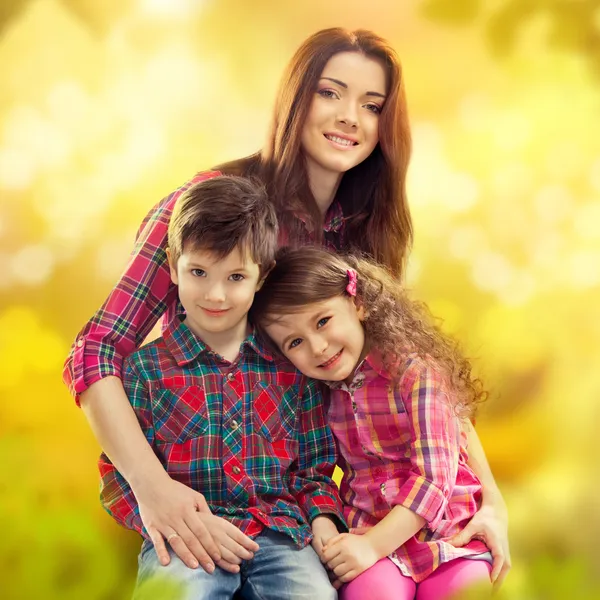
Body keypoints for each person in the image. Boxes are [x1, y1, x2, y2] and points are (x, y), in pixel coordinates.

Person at [63, 27, 509, 582]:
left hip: (302, 513)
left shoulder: (363, 235)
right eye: (330, 92)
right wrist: (155, 492)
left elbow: (419, 377)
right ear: (295, 98)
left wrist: (490, 498)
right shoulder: (209, 207)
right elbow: (95, 352)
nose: (350, 116)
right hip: (204, 499)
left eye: (372, 106)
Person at [100, 176, 344, 599]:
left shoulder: (289, 365)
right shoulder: (144, 371)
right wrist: (166, 522)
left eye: (235, 277)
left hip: (281, 535)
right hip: (187, 538)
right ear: (174, 265)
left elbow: (314, 469)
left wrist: (324, 518)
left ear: (261, 277)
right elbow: (118, 474)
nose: (215, 294)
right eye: (199, 272)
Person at [251, 246, 496, 599]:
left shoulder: (415, 373)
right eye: (295, 342)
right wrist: (337, 529)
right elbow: (311, 470)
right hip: (368, 532)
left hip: (449, 535)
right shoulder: (317, 394)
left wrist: (371, 547)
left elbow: (434, 479)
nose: (318, 347)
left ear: (358, 303)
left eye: (323, 321)